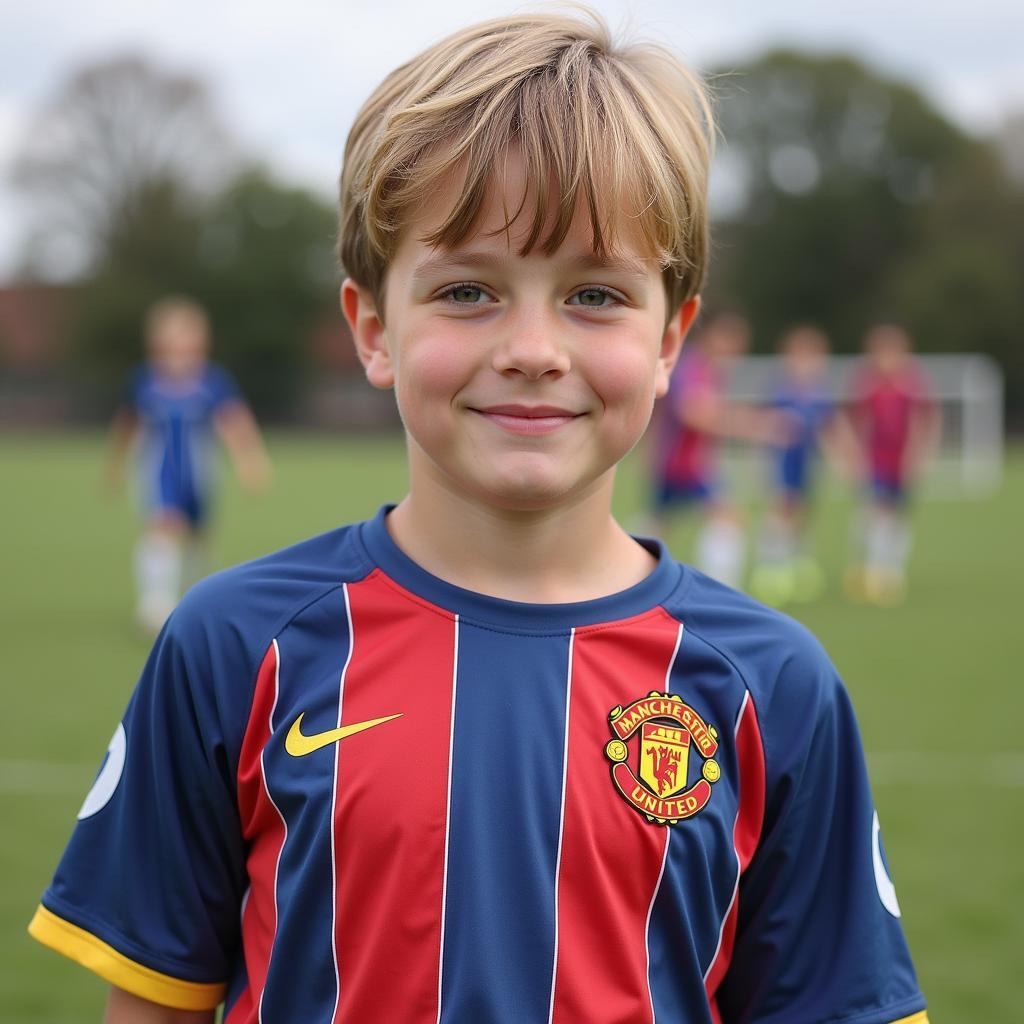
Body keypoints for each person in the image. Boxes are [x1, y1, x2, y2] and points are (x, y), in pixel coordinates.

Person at [30, 12, 928, 1024]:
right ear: (373, 327)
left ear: (672, 336)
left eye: (594, 293)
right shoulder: (234, 645)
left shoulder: (774, 687)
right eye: (467, 290)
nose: (535, 347)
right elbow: (154, 1003)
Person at [104, 296, 271, 633]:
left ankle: (197, 599)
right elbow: (126, 425)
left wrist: (250, 462)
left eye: (188, 347)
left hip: (199, 473)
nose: (180, 356)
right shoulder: (144, 382)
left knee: (197, 536)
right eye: (171, 347)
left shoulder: (213, 382)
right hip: (158, 471)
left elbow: (234, 422)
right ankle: (155, 604)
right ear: (156, 346)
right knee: (164, 526)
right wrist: (115, 464)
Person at [647, 311, 780, 588]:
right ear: (711, 336)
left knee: (658, 527)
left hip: (681, 462)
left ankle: (630, 582)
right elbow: (694, 413)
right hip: (685, 464)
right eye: (731, 338)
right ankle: (720, 591)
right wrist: (757, 426)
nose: (736, 347)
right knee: (727, 518)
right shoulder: (694, 366)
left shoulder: (705, 368)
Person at [749, 324, 855, 606]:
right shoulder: (780, 391)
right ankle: (770, 568)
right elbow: (762, 423)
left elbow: (830, 427)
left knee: (802, 514)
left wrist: (843, 458)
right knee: (782, 509)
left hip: (807, 464)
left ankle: (797, 563)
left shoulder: (818, 395)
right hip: (780, 462)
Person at [845, 323, 938, 606]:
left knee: (897, 516)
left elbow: (923, 423)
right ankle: (872, 569)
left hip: (901, 463)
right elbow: (859, 423)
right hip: (876, 462)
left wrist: (918, 457)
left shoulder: (911, 385)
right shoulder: (868, 385)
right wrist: (855, 457)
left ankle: (892, 571)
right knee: (874, 513)